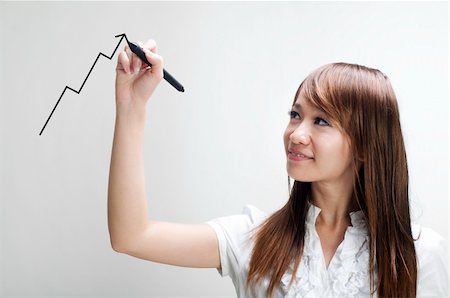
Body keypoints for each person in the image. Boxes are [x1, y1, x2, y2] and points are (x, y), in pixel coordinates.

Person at [108, 39, 448, 297]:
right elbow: (131, 236)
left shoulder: (419, 254)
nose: (297, 134)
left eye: (321, 121)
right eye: (295, 115)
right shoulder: (253, 240)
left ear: (363, 146)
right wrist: (131, 105)